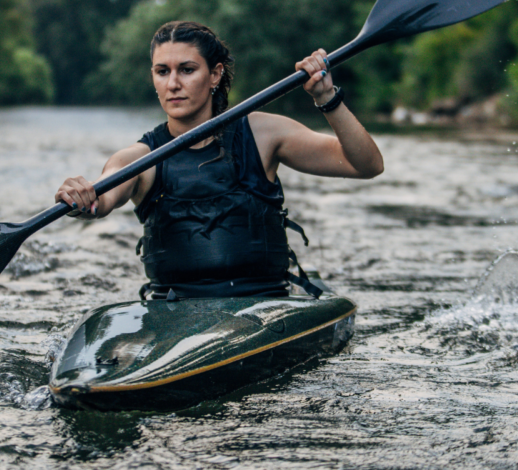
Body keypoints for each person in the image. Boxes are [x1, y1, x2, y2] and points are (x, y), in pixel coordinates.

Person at [55, 21, 383, 299]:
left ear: (214, 75)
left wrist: (326, 97)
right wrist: (83, 197)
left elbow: (366, 165)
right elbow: (103, 196)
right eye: (162, 71)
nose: (172, 84)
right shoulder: (140, 158)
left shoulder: (264, 134)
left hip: (265, 301)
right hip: (174, 308)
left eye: (187, 70)